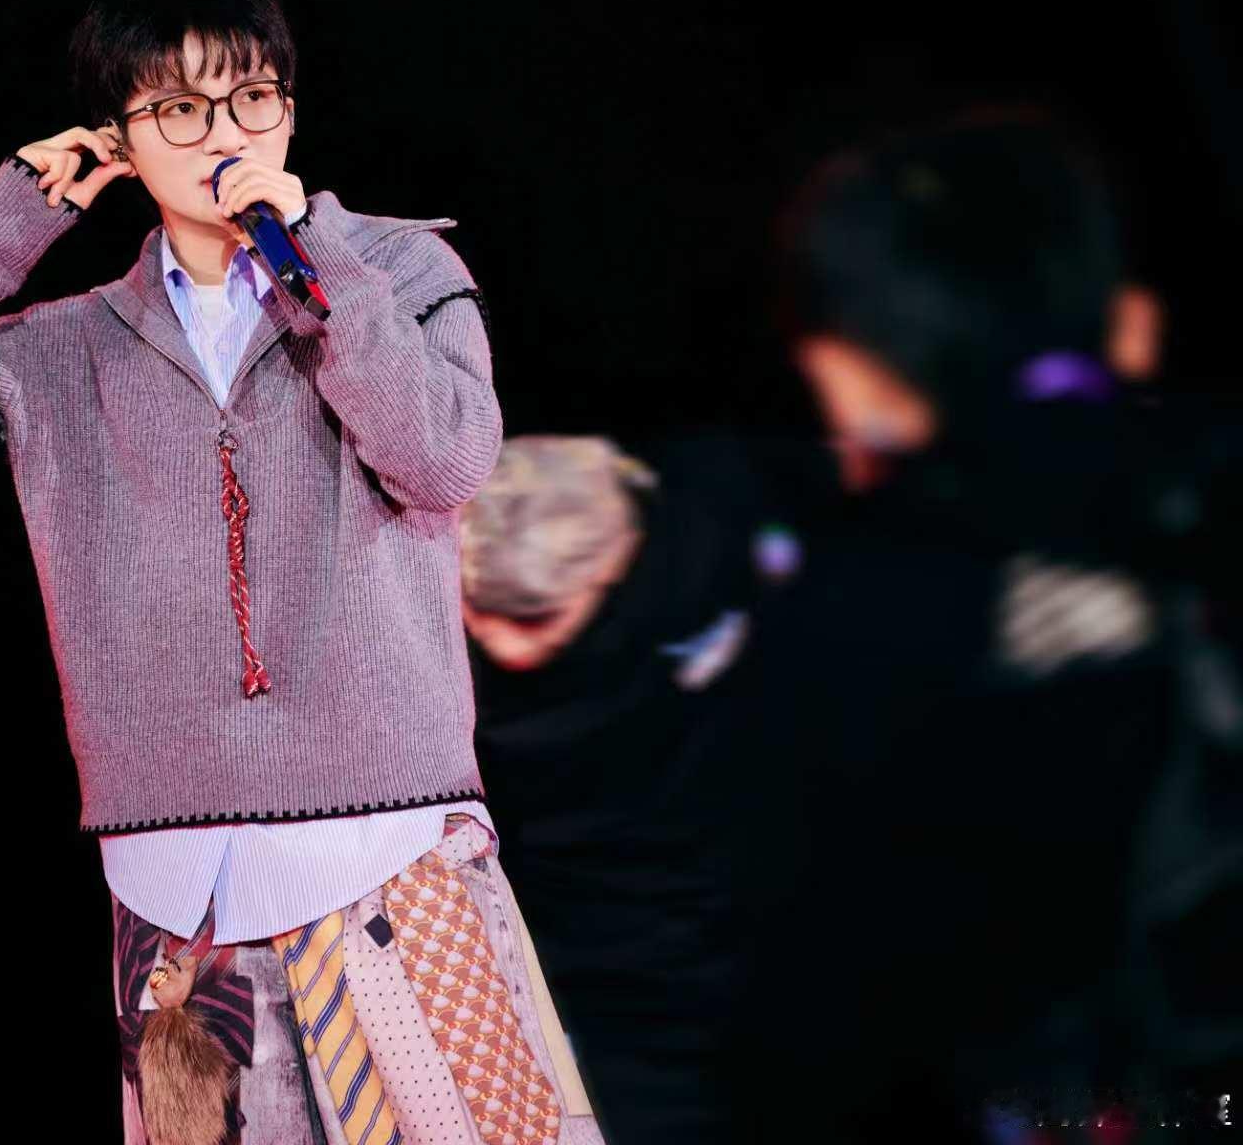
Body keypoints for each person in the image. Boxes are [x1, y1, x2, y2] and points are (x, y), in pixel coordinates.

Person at [0, 0, 604, 1144]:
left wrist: (317, 263)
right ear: (121, 141)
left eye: (251, 96)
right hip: (173, 878)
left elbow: (444, 460)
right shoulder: (64, 347)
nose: (224, 133)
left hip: (386, 844)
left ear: (288, 107)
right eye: (179, 108)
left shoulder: (394, 271)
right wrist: (8, 224)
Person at [729, 109, 1211, 1140]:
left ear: (845, 379)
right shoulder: (1200, 493)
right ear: (1128, 320)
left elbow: (806, 1035)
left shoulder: (845, 619)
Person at [460, 433, 763, 1143]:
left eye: (534, 617)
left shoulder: (705, 585)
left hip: (692, 963)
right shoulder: (431, 623)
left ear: (615, 563)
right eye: (478, 608)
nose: (505, 641)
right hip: (535, 963)